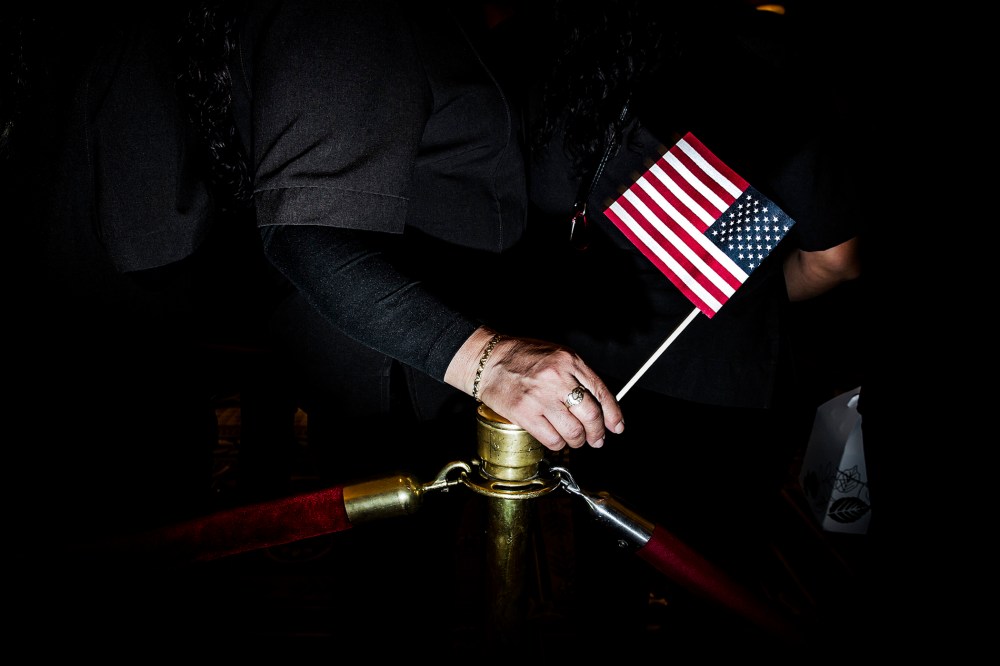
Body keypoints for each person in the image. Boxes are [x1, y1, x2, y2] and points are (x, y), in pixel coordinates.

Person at [510, 0, 865, 651]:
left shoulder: (549, 64)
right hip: (730, 391)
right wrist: (754, 296)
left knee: (605, 582)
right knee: (717, 588)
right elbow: (836, 261)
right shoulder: (771, 79)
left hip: (592, 379)